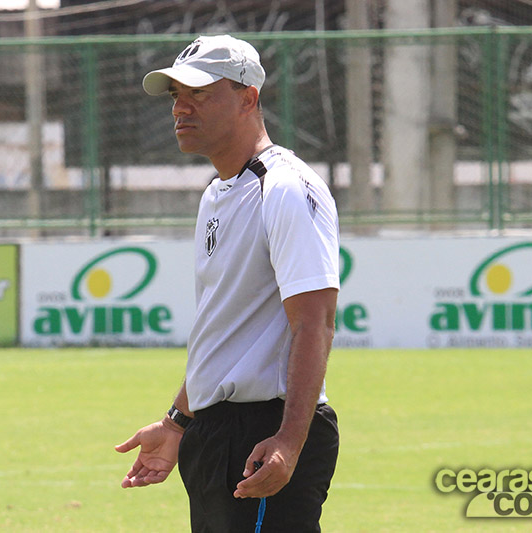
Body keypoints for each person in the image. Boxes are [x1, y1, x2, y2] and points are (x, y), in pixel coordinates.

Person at [115, 35, 340, 533]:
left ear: (248, 98)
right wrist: (178, 421)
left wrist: (288, 441)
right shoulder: (218, 193)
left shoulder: (284, 188)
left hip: (264, 430)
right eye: (175, 95)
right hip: (214, 432)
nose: (181, 108)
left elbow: (315, 322)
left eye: (199, 93)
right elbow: (226, 331)